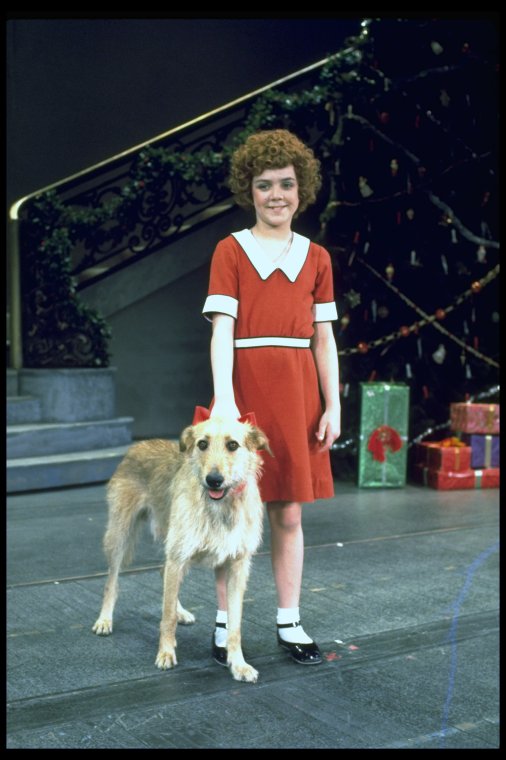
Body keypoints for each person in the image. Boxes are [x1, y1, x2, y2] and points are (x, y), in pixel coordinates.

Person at [201, 128, 341, 666]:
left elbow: (324, 339)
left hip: (299, 393)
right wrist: (224, 402)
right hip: (243, 395)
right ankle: (225, 624)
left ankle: (290, 621)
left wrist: (333, 404)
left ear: (301, 188)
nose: (276, 194)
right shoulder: (229, 250)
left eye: (286, 183)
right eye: (265, 185)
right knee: (228, 514)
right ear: (249, 190)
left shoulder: (318, 257)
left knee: (288, 514)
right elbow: (221, 330)